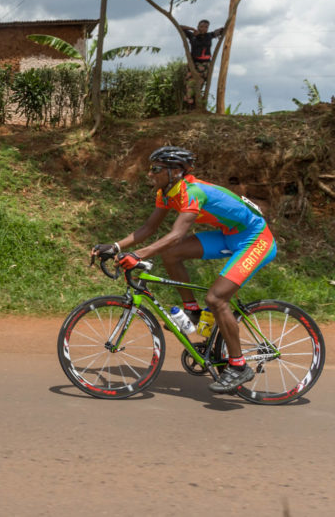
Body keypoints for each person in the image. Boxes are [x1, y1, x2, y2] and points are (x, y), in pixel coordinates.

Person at [91, 145, 276, 394]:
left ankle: (239, 366)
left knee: (217, 298)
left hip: (255, 239)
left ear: (175, 172)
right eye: (151, 168)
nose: (150, 173)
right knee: (171, 255)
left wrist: (138, 255)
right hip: (228, 235)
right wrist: (114, 247)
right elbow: (148, 228)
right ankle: (192, 312)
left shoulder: (192, 192)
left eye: (156, 169)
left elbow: (177, 234)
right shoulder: (166, 193)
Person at [180, 20, 226, 110]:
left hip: (205, 64)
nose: (204, 28)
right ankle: (189, 103)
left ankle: (197, 104)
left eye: (206, 27)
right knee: (189, 82)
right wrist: (191, 28)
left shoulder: (209, 36)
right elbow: (179, 26)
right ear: (198, 26)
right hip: (194, 63)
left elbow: (217, 32)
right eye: (202, 26)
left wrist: (221, 30)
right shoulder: (192, 35)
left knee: (200, 83)